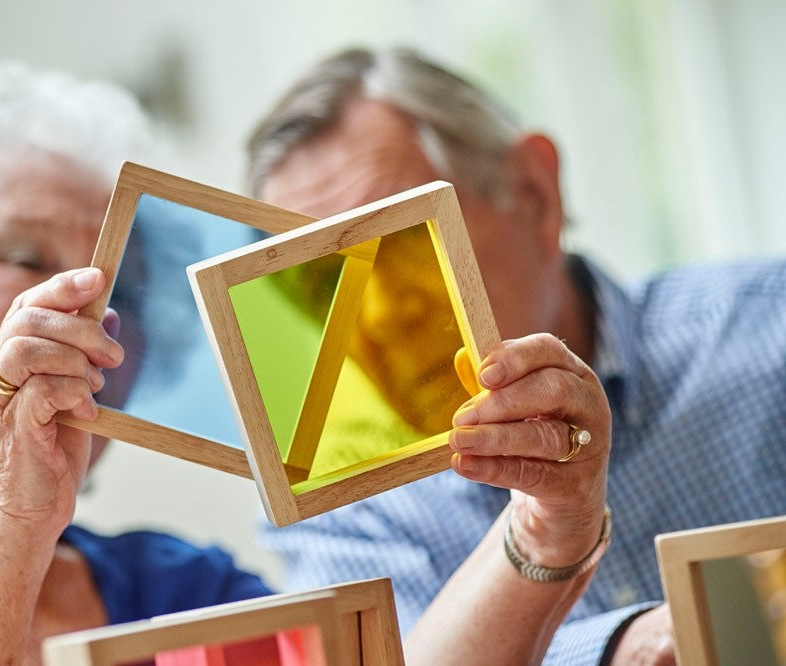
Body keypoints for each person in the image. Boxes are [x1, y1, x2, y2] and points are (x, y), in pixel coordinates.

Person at [0, 61, 612, 665]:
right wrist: (5, 518)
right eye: (25, 257)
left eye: (126, 287)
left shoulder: (175, 587)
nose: (86, 311)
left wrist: (542, 531)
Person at [247, 46, 786, 665]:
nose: (379, 315)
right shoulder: (339, 512)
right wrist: (622, 647)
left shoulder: (771, 332)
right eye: (326, 288)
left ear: (535, 194)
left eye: (401, 241)